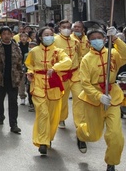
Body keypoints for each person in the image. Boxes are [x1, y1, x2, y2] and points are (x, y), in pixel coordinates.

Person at [76, 27, 126, 171]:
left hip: (113, 97)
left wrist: (116, 39)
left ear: (105, 39)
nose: (97, 40)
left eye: (99, 37)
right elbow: (85, 83)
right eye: (93, 38)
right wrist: (98, 96)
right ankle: (81, 134)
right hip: (93, 100)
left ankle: (111, 163)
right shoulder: (86, 60)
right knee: (93, 135)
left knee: (115, 135)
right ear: (89, 42)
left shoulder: (113, 54)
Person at [25, 26, 72, 155]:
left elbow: (68, 61)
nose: (49, 37)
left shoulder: (59, 51)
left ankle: (48, 138)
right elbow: (29, 64)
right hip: (38, 84)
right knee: (43, 113)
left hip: (54, 85)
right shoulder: (34, 51)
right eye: (46, 35)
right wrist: (29, 73)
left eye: (51, 34)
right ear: (40, 37)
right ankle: (42, 142)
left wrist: (56, 67)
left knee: (52, 115)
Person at [0, 26, 23, 134]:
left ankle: (14, 124)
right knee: (0, 100)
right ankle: (1, 115)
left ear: (12, 35)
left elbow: (20, 64)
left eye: (8, 33)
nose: (6, 36)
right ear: (1, 35)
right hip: (0, 79)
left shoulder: (16, 47)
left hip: (13, 79)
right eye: (4, 34)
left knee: (13, 102)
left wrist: (20, 76)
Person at [53, 19, 81, 130]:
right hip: (61, 74)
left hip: (75, 73)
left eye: (69, 27)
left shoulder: (76, 41)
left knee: (79, 97)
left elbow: (79, 55)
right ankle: (62, 118)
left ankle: (79, 123)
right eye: (64, 27)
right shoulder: (54, 40)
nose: (66, 29)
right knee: (63, 99)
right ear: (59, 28)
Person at [17, 31, 30, 105]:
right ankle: (22, 97)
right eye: (22, 37)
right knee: (21, 82)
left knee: (29, 82)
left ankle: (30, 97)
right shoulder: (17, 46)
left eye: (25, 37)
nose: (23, 38)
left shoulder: (30, 46)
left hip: (29, 66)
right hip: (20, 66)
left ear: (28, 38)